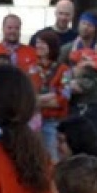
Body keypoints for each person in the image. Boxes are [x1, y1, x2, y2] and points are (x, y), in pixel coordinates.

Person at [60, 12, 97, 143]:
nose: (85, 27)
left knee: (96, 141)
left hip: (96, 101)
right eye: (83, 23)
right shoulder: (68, 48)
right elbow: (59, 72)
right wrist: (71, 76)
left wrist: (92, 65)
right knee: (73, 141)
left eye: (89, 25)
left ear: (96, 28)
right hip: (74, 102)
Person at [30, 28, 69, 156]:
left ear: (52, 46)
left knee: (53, 159)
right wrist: (49, 97)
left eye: (43, 43)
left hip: (54, 122)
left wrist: (37, 100)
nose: (39, 46)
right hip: (31, 122)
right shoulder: (30, 69)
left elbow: (64, 98)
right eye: (38, 42)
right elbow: (25, 96)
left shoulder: (64, 70)